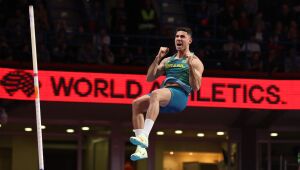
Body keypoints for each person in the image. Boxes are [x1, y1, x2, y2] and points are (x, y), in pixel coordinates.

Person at [129, 27, 204, 161]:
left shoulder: (196, 61)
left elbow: (196, 87)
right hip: (164, 94)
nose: (179, 39)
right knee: (136, 104)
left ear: (190, 40)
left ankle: (144, 136)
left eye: (182, 36)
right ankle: (141, 150)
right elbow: (149, 78)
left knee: (155, 94)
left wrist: (190, 66)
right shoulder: (168, 60)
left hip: (180, 95)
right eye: (177, 36)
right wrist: (158, 57)